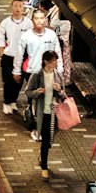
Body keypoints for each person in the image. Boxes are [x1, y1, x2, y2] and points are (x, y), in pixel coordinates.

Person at [12, 7, 63, 122]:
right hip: (33, 71)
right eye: (36, 18)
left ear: (45, 20)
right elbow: (19, 54)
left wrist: (59, 71)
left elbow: (58, 53)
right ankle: (35, 119)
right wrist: (16, 71)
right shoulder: (26, 36)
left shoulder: (51, 35)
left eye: (41, 18)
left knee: (49, 98)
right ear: (32, 20)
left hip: (50, 72)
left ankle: (46, 122)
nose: (39, 21)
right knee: (34, 97)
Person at [24, 49, 67, 180]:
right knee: (45, 139)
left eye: (56, 60)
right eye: (54, 61)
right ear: (46, 61)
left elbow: (64, 96)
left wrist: (59, 90)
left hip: (54, 113)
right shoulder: (37, 75)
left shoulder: (58, 75)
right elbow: (28, 92)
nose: (56, 63)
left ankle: (42, 156)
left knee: (50, 140)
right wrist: (37, 92)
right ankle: (44, 167)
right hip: (42, 112)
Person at [0, 0, 29, 114]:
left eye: (20, 6)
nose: (18, 8)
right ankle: (6, 102)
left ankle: (13, 102)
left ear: (23, 8)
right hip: (9, 56)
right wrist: (2, 50)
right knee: (8, 80)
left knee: (18, 81)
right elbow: (0, 36)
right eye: (15, 6)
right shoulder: (5, 22)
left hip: (22, 57)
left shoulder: (28, 23)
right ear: (11, 7)